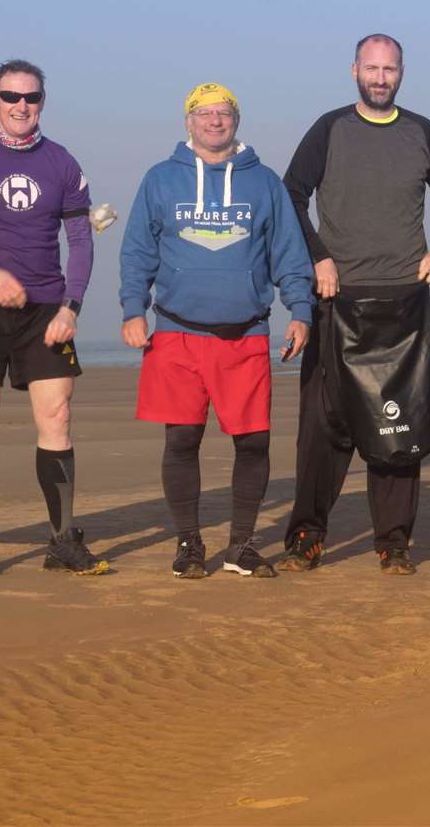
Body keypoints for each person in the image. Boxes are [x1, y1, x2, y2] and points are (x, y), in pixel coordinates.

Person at [277, 34, 430, 575]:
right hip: (336, 298)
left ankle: (394, 544)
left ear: (402, 73)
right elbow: (291, 193)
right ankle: (307, 539)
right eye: (371, 68)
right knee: (322, 429)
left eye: (389, 69)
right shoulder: (330, 128)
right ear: (354, 70)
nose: (380, 78)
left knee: (398, 428)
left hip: (403, 303)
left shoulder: (422, 132)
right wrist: (318, 258)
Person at [118, 83, 315, 579]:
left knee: (252, 443)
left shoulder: (265, 182)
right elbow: (138, 250)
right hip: (178, 334)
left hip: (245, 335)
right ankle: (188, 544)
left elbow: (289, 254)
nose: (214, 121)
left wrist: (301, 310)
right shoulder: (160, 179)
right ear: (188, 122)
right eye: (203, 113)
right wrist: (132, 308)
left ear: (236, 120)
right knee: (182, 440)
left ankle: (241, 546)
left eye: (223, 113)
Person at [0, 59, 107, 578]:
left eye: (32, 97)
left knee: (58, 414)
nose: (22, 106)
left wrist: (72, 305)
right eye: (11, 96)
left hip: (46, 308)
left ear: (43, 101)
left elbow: (81, 238)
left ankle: (63, 539)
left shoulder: (61, 162)